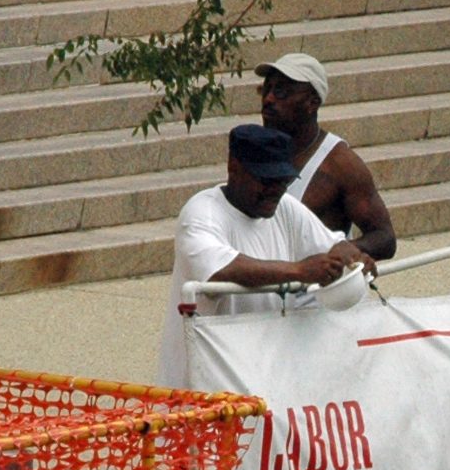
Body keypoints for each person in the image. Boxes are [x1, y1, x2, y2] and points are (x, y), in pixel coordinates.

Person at [157, 124, 373, 388]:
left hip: (263, 377)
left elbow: (335, 246)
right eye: (266, 180)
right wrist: (299, 271)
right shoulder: (201, 214)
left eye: (283, 181)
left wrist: (352, 259)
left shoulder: (286, 208)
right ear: (233, 167)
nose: (276, 190)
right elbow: (221, 269)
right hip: (204, 385)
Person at [254, 53, 397, 260]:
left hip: (316, 291)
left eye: (281, 92)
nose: (268, 99)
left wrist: (344, 250)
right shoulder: (255, 151)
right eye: (265, 89)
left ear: (312, 102)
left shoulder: (341, 163)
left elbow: (384, 238)